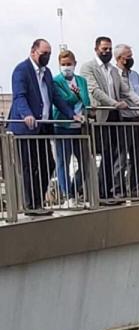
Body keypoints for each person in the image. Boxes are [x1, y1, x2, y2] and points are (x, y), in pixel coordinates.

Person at [6, 39, 82, 215]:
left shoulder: (46, 72)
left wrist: (72, 114)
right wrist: (27, 115)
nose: (46, 57)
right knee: (29, 166)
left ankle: (38, 202)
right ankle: (31, 205)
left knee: (48, 163)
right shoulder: (21, 70)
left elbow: (55, 97)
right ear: (33, 52)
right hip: (26, 129)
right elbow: (19, 96)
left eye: (49, 53)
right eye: (43, 53)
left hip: (42, 128)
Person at [79, 36, 139, 203]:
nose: (107, 52)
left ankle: (111, 192)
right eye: (104, 49)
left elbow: (126, 91)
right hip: (101, 116)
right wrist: (114, 104)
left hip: (116, 117)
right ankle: (102, 193)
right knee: (105, 155)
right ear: (96, 49)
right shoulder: (88, 67)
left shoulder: (113, 70)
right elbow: (94, 90)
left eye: (109, 49)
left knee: (115, 156)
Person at [52, 49, 91, 203]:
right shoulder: (56, 81)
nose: (66, 67)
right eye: (63, 64)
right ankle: (67, 194)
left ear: (75, 64)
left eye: (69, 64)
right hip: (62, 125)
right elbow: (63, 99)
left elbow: (86, 100)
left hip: (79, 126)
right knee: (63, 161)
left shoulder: (82, 81)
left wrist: (79, 99)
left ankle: (75, 189)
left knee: (85, 161)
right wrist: (76, 95)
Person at [114, 43, 139, 197]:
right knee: (120, 157)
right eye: (128, 57)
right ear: (119, 58)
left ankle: (137, 188)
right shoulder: (113, 74)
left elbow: (137, 94)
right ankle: (118, 189)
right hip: (122, 119)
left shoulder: (135, 75)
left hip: (137, 117)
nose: (130, 59)